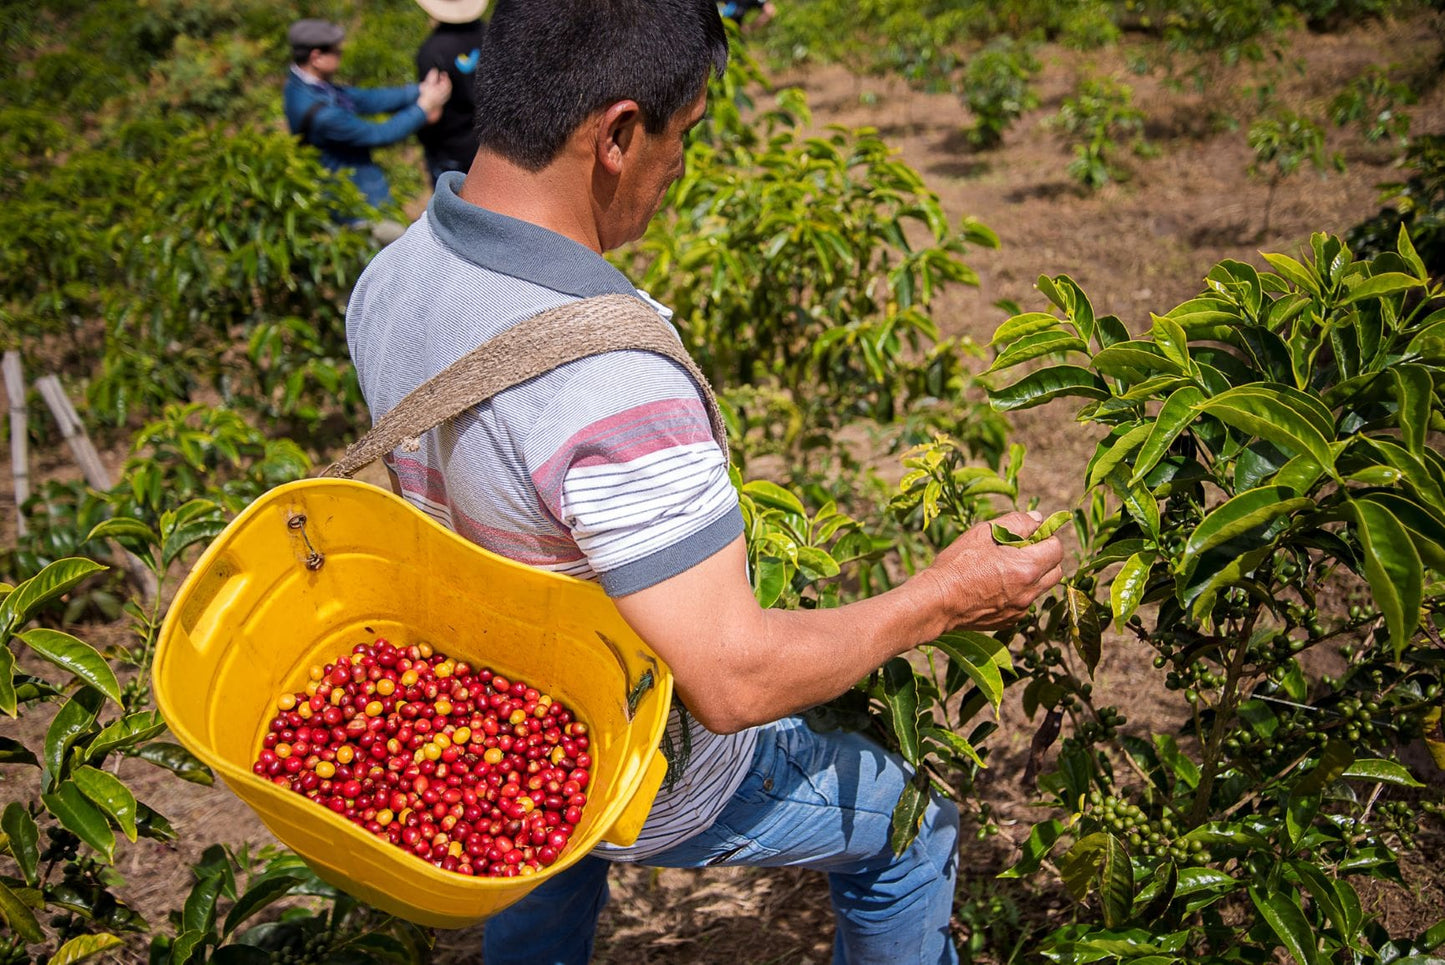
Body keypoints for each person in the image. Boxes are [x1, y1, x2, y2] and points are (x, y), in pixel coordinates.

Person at [344, 1, 1064, 961]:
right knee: (912, 830)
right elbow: (732, 678)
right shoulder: (608, 382)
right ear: (619, 134)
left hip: (502, 705)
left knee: (551, 850)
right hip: (643, 763)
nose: (681, 164)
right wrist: (940, 597)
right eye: (681, 135)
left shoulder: (393, 274)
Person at [283, 17, 452, 224]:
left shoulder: (304, 84)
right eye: (336, 52)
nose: (341, 55)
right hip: (356, 201)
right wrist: (423, 108)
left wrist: (419, 90)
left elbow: (365, 99)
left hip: (358, 188)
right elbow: (378, 134)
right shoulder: (323, 116)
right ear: (316, 57)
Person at [413, 0, 488, 186]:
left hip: (453, 149)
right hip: (493, 142)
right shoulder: (491, 33)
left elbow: (433, 111)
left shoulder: (432, 51)